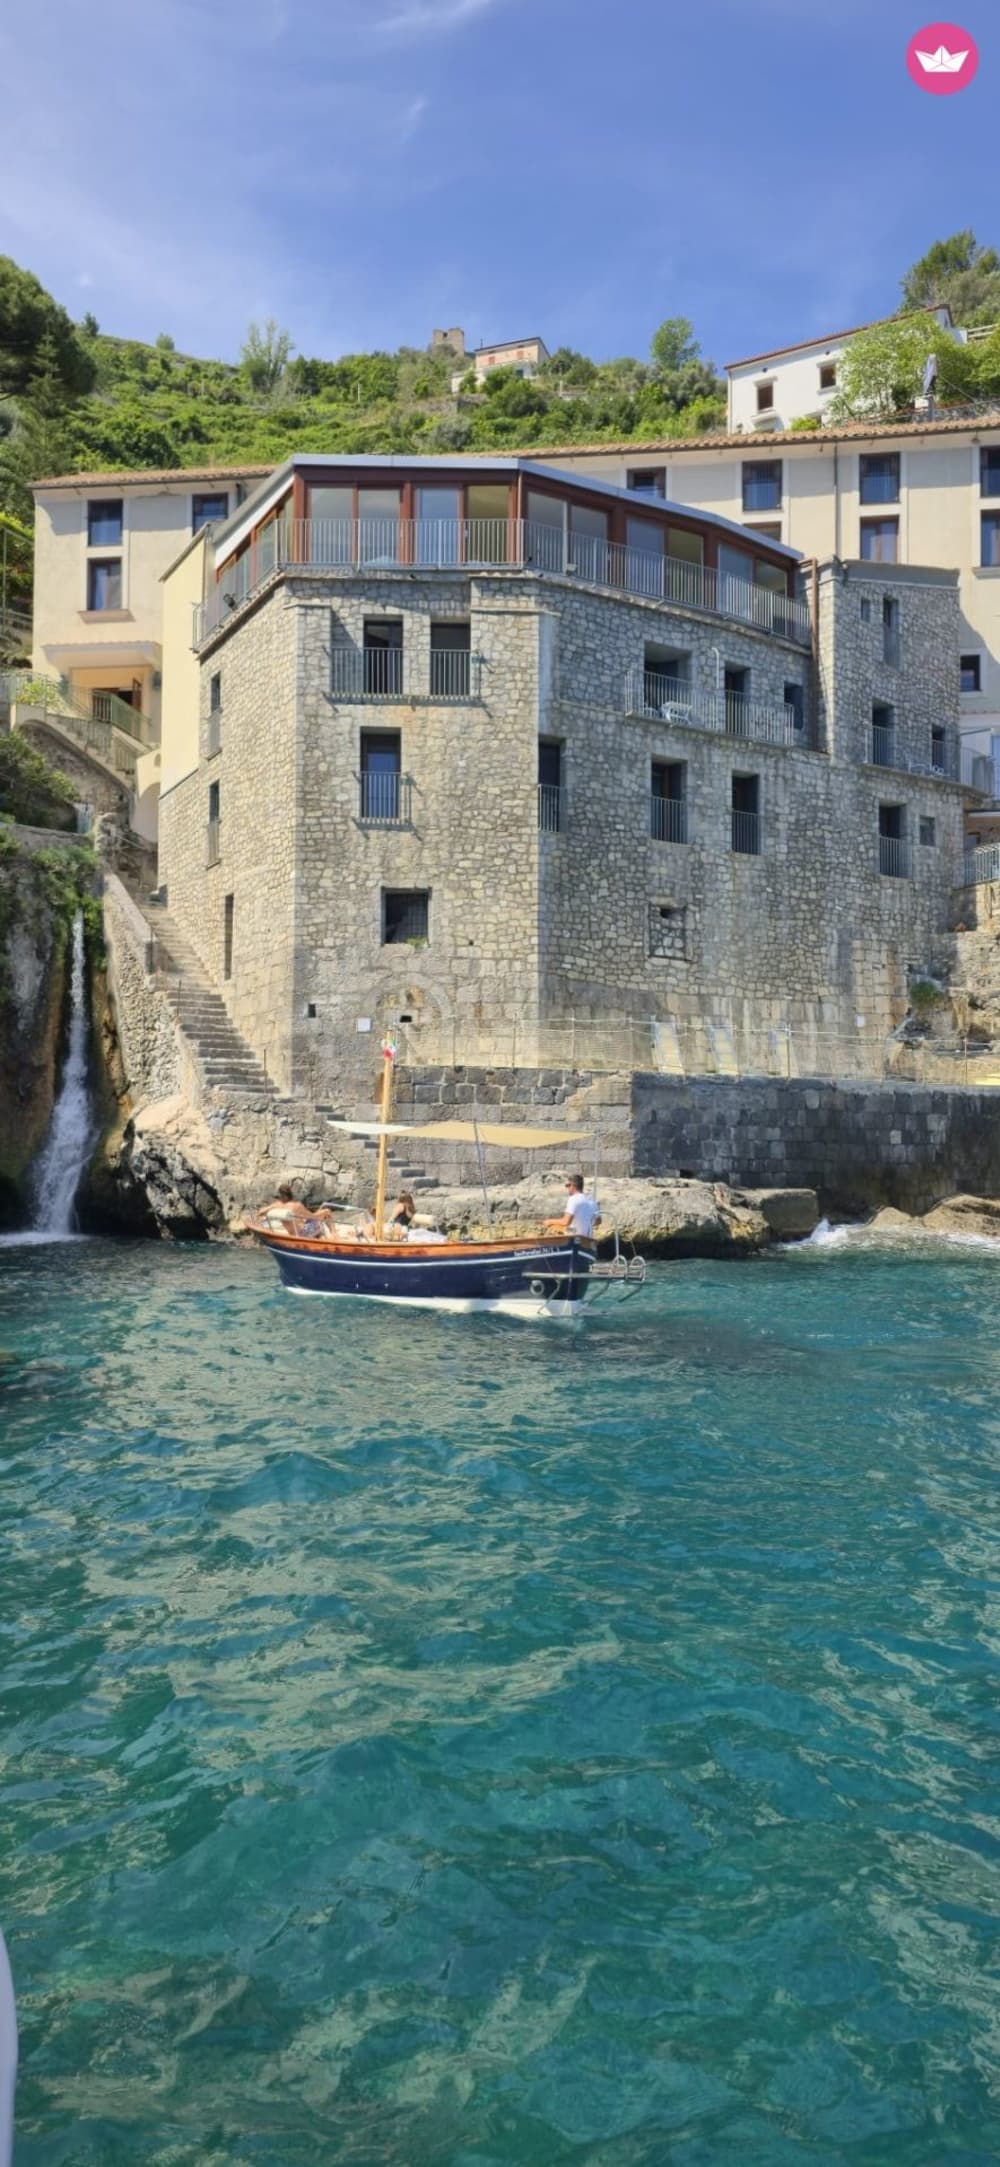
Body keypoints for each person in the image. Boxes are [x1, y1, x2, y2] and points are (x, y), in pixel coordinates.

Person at [544, 1173, 600, 1240]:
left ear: (572, 1185)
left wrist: (549, 1221)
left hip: (575, 1238)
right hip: (588, 1239)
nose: (567, 1188)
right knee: (565, 1228)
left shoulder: (574, 1199)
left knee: (553, 1226)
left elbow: (565, 1222)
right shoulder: (592, 1202)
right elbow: (598, 1221)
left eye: (568, 1185)